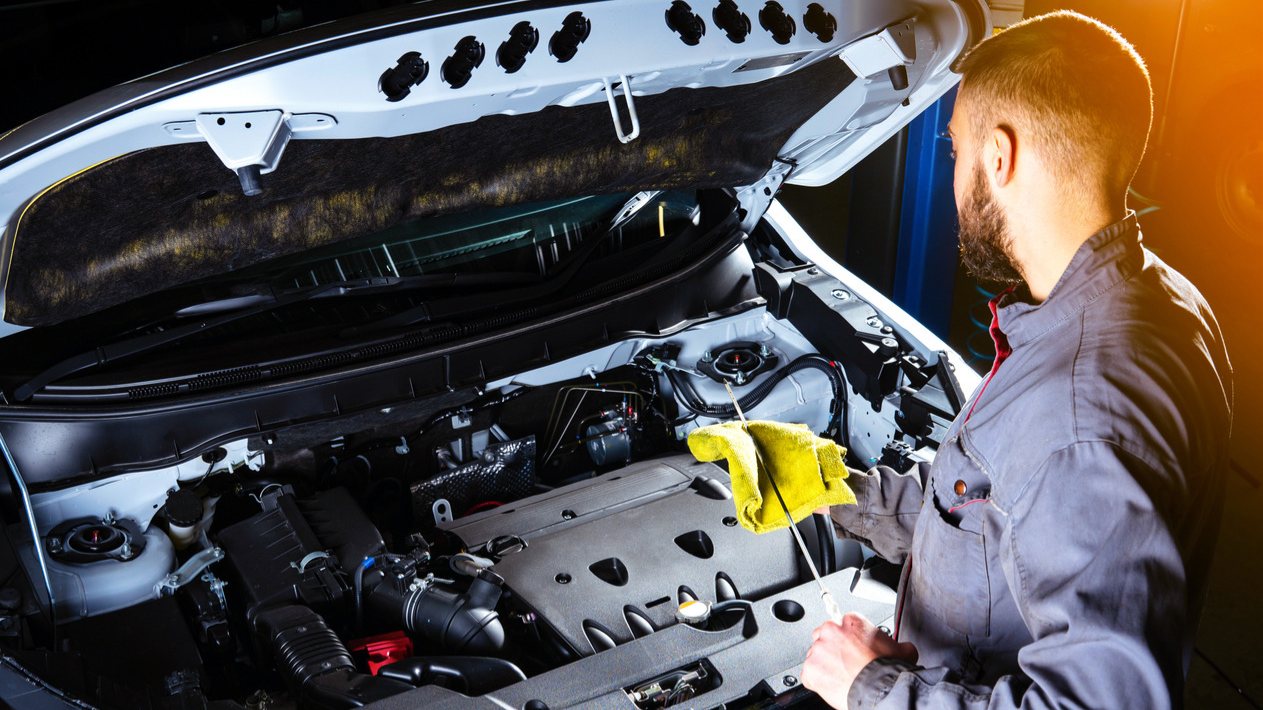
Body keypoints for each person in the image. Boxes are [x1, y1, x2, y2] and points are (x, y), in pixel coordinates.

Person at [801, 11, 1233, 710]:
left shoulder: (1077, 413)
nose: (953, 176)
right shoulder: (1160, 299)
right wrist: (838, 492)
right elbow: (992, 511)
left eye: (953, 151)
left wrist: (872, 688)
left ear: (997, 157)